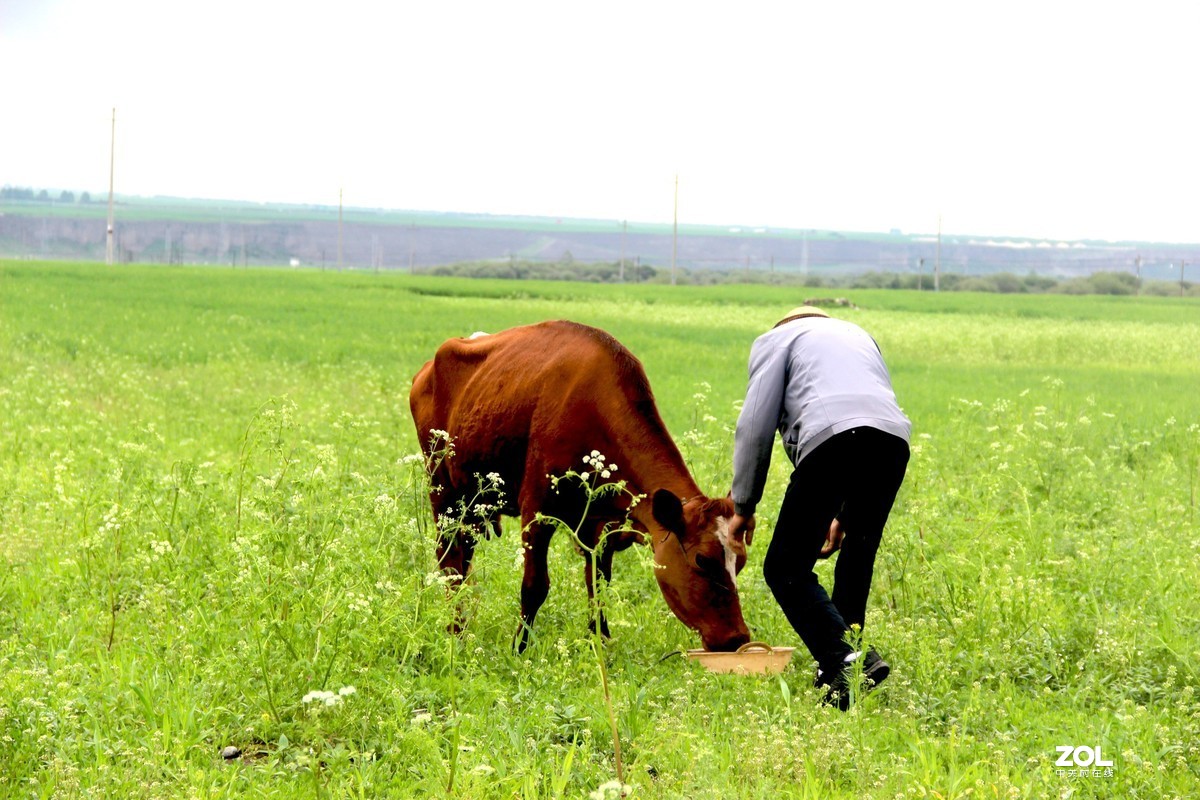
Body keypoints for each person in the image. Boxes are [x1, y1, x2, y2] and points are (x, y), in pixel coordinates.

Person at [729, 305, 910, 710]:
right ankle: (840, 678)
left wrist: (743, 503)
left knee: (785, 568)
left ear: (785, 325)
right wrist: (844, 516)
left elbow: (755, 424)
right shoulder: (859, 335)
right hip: (893, 440)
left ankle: (846, 658)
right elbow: (863, 414)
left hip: (834, 440)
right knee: (857, 556)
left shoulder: (777, 340)